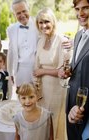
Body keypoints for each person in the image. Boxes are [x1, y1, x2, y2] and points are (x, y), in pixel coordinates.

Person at [34, 7, 69, 140]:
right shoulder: (41, 40)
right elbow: (36, 64)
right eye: (40, 23)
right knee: (44, 123)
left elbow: (61, 70)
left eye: (46, 22)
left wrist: (41, 71)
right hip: (42, 89)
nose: (43, 26)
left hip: (57, 90)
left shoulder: (61, 40)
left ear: (53, 22)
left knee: (55, 123)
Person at [59, 0, 89, 139]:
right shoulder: (78, 35)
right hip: (71, 104)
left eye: (86, 8)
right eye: (77, 9)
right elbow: (78, 65)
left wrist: (81, 107)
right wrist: (67, 70)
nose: (80, 13)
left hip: (84, 109)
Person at [7, 0, 38, 87]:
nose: (22, 15)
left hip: (37, 69)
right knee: (22, 98)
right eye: (18, 13)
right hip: (20, 71)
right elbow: (11, 52)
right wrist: (10, 73)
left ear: (29, 9)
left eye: (24, 11)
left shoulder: (39, 25)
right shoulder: (11, 29)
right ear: (14, 15)